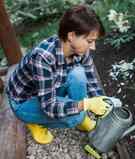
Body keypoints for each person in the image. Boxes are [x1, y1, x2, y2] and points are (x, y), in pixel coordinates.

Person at [6, 4, 111, 144]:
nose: (93, 47)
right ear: (72, 35)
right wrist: (85, 104)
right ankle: (35, 121)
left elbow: (91, 80)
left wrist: (103, 102)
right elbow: (49, 106)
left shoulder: (80, 50)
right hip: (25, 101)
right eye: (90, 41)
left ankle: (80, 116)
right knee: (74, 117)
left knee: (79, 74)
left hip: (48, 89)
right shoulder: (43, 57)